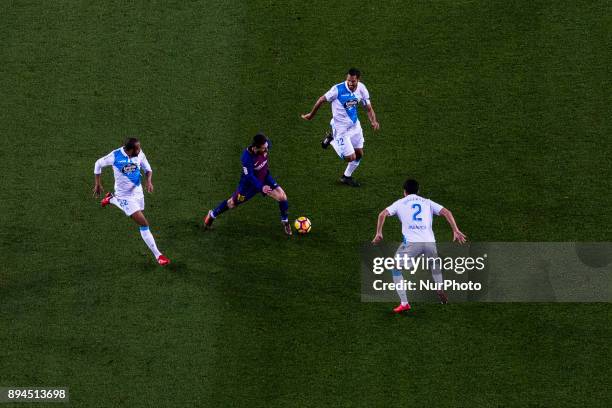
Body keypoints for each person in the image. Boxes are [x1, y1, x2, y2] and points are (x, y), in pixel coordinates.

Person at [372, 179, 467, 312]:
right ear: (418, 191)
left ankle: (404, 303)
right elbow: (447, 212)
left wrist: (379, 233)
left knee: (395, 267)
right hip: (429, 242)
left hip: (412, 244)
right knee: (434, 265)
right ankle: (439, 288)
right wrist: (455, 230)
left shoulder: (399, 203)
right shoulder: (427, 202)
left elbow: (382, 214)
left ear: (404, 192)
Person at [93, 138, 170, 266]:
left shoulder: (139, 154)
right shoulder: (115, 156)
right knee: (144, 223)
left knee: (138, 213)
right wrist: (97, 183)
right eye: (137, 148)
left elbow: (148, 169)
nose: (139, 150)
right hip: (124, 196)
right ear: (129, 150)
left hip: (138, 192)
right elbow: (98, 164)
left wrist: (149, 181)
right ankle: (159, 255)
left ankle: (111, 199)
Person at [301, 68, 380, 187]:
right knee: (350, 157)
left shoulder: (362, 89)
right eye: (348, 80)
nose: (350, 83)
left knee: (359, 154)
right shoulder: (337, 89)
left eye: (353, 81)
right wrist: (311, 115)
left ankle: (346, 177)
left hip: (355, 126)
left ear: (358, 80)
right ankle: (332, 140)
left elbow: (368, 107)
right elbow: (321, 100)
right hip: (340, 128)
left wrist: (373, 121)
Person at [204, 133, 292, 235]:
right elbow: (250, 177)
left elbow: (267, 146)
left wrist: (263, 184)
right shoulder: (246, 158)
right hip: (249, 185)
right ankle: (212, 214)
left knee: (282, 196)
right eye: (264, 148)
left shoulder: (265, 144)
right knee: (232, 203)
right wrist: (261, 187)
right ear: (255, 148)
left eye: (266, 147)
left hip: (265, 177)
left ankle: (285, 221)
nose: (267, 150)